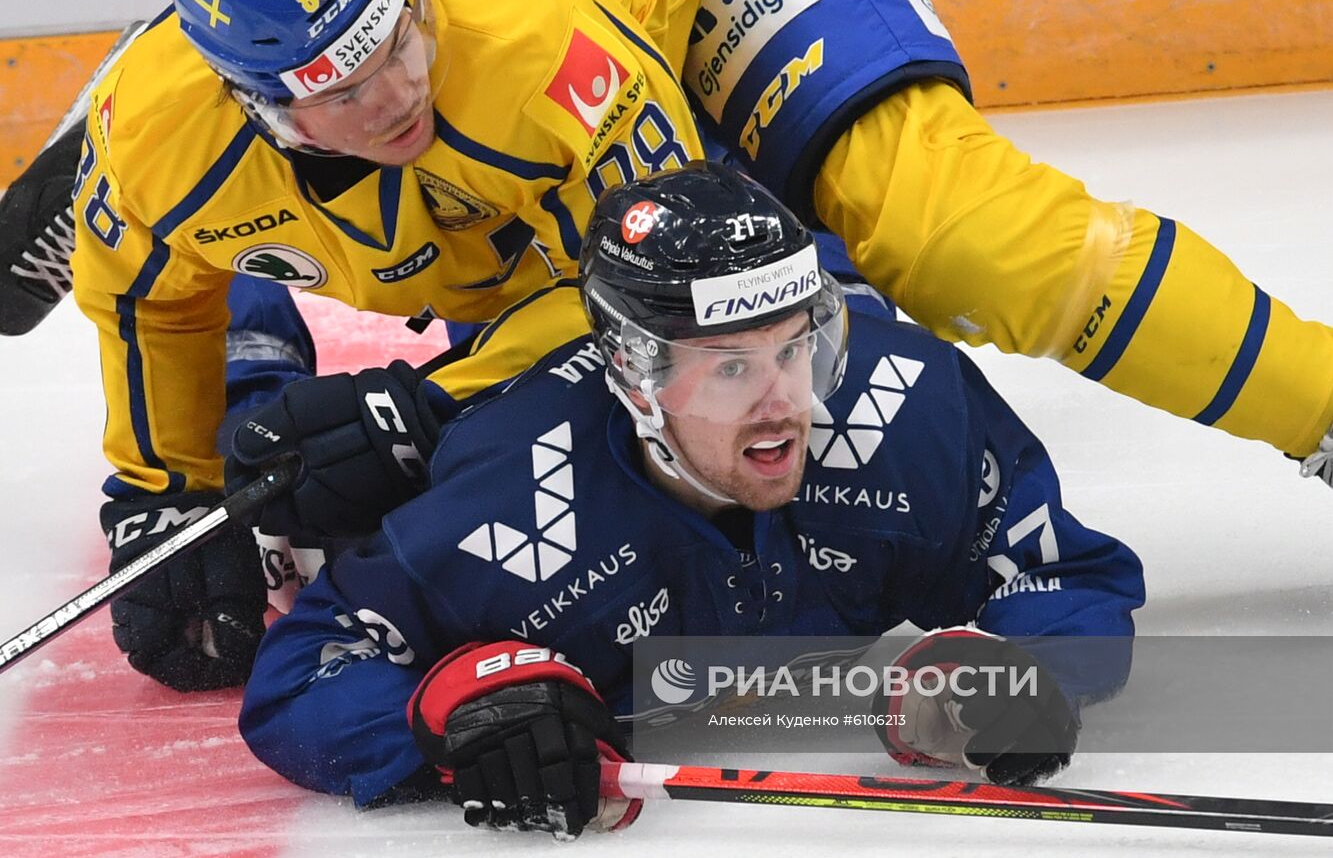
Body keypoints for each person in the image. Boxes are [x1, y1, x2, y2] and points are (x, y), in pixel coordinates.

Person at [18, 0, 1318, 690]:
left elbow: (687, 277)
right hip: (483, 142)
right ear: (258, 105)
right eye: (354, 83)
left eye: (400, 33)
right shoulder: (172, 146)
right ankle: (269, 309)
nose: (407, 84)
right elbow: (140, 297)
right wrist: (162, 482)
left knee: (945, 230)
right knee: (447, 297)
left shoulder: (515, 53)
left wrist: (418, 405)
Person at [236, 163, 1145, 840]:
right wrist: (454, 710)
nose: (788, 401)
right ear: (636, 379)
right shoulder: (515, 507)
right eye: (732, 368)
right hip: (469, 398)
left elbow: (1064, 570)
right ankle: (252, 330)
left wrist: (1026, 661)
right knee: (236, 533)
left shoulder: (901, 405)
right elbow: (299, 673)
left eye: (798, 348)